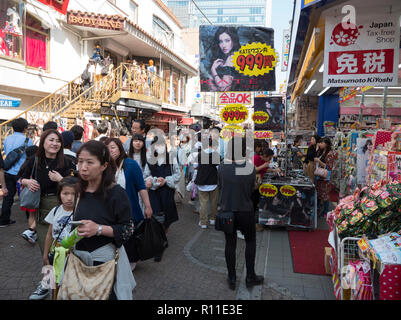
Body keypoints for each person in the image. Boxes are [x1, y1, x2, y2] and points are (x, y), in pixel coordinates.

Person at [69, 140, 135, 300]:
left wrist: (98, 229)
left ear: (104, 166)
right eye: (80, 161)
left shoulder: (116, 193)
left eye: (90, 162)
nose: (83, 167)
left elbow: (128, 229)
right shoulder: (80, 190)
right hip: (78, 262)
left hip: (103, 265)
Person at [218, 137, 264, 291]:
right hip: (245, 211)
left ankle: (231, 277)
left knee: (230, 244)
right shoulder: (249, 168)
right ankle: (250, 276)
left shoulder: (222, 167)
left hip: (227, 210)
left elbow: (220, 186)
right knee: (250, 241)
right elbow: (252, 188)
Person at [19, 129, 75, 251]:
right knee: (45, 247)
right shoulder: (35, 160)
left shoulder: (67, 162)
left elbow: (75, 185)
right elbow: (21, 178)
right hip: (40, 206)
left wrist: (60, 179)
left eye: (58, 141)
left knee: (60, 247)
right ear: (43, 142)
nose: (55, 144)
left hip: (61, 205)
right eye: (51, 140)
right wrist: (27, 182)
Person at [105, 138, 152, 269]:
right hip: (109, 210)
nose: (110, 150)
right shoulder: (104, 166)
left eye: (113, 147)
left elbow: (141, 187)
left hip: (129, 209)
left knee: (129, 237)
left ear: (120, 148)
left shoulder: (130, 164)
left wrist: (148, 206)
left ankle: (130, 262)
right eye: (107, 148)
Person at [29, 176, 78, 300]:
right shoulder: (56, 211)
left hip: (72, 256)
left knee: (69, 286)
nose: (69, 198)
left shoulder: (80, 213)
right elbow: (49, 234)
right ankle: (45, 288)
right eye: (65, 193)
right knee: (53, 284)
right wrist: (45, 254)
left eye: (73, 194)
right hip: (55, 251)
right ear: (59, 194)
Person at [143, 135, 181, 262]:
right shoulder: (149, 160)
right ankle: (159, 245)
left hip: (167, 192)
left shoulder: (171, 159)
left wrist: (166, 180)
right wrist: (155, 181)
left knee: (167, 217)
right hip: (154, 192)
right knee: (157, 218)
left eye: (161, 145)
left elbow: (178, 175)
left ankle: (163, 238)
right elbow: (146, 176)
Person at [0, 118, 33, 227]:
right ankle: (30, 221)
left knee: (8, 197)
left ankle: (4, 220)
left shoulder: (7, 139)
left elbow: (7, 153)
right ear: (25, 128)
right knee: (27, 196)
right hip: (21, 173)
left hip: (8, 171)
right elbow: (30, 156)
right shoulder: (28, 141)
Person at [194, 137, 220, 229]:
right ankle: (213, 219)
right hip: (213, 182)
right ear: (215, 146)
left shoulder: (200, 154)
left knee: (203, 203)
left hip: (202, 181)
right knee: (214, 202)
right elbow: (218, 168)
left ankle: (203, 222)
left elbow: (195, 165)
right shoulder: (216, 155)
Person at [208, 27, 241, 92]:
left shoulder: (231, 58)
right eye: (221, 41)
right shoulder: (224, 58)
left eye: (227, 41)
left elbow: (222, 88)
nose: (224, 45)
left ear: (233, 41)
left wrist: (213, 70)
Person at [314, 137, 335, 217]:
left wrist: (319, 161)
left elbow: (329, 166)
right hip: (320, 176)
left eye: (322, 143)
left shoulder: (330, 154)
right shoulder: (321, 152)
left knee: (325, 194)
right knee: (319, 193)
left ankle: (325, 211)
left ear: (326, 144)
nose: (320, 144)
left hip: (325, 177)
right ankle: (319, 209)